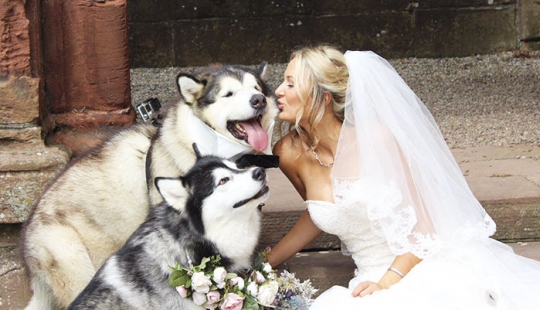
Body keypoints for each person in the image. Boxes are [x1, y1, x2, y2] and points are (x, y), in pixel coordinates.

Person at [267, 45, 540, 309]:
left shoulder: (377, 139)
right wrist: (264, 262)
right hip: (368, 277)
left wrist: (387, 282)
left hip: (419, 265)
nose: (278, 90)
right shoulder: (288, 153)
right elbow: (324, 211)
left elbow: (426, 224)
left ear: (323, 97)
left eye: (290, 83)